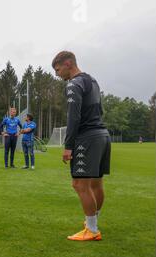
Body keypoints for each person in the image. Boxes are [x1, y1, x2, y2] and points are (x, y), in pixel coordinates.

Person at [52, 51, 111, 242]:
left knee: (79, 183)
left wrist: (68, 146)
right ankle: (92, 222)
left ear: (68, 64)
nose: (57, 74)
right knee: (96, 183)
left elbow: (73, 116)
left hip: (87, 138)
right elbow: (100, 109)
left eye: (58, 69)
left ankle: (92, 230)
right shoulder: (92, 81)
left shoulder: (73, 84)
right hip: (102, 135)